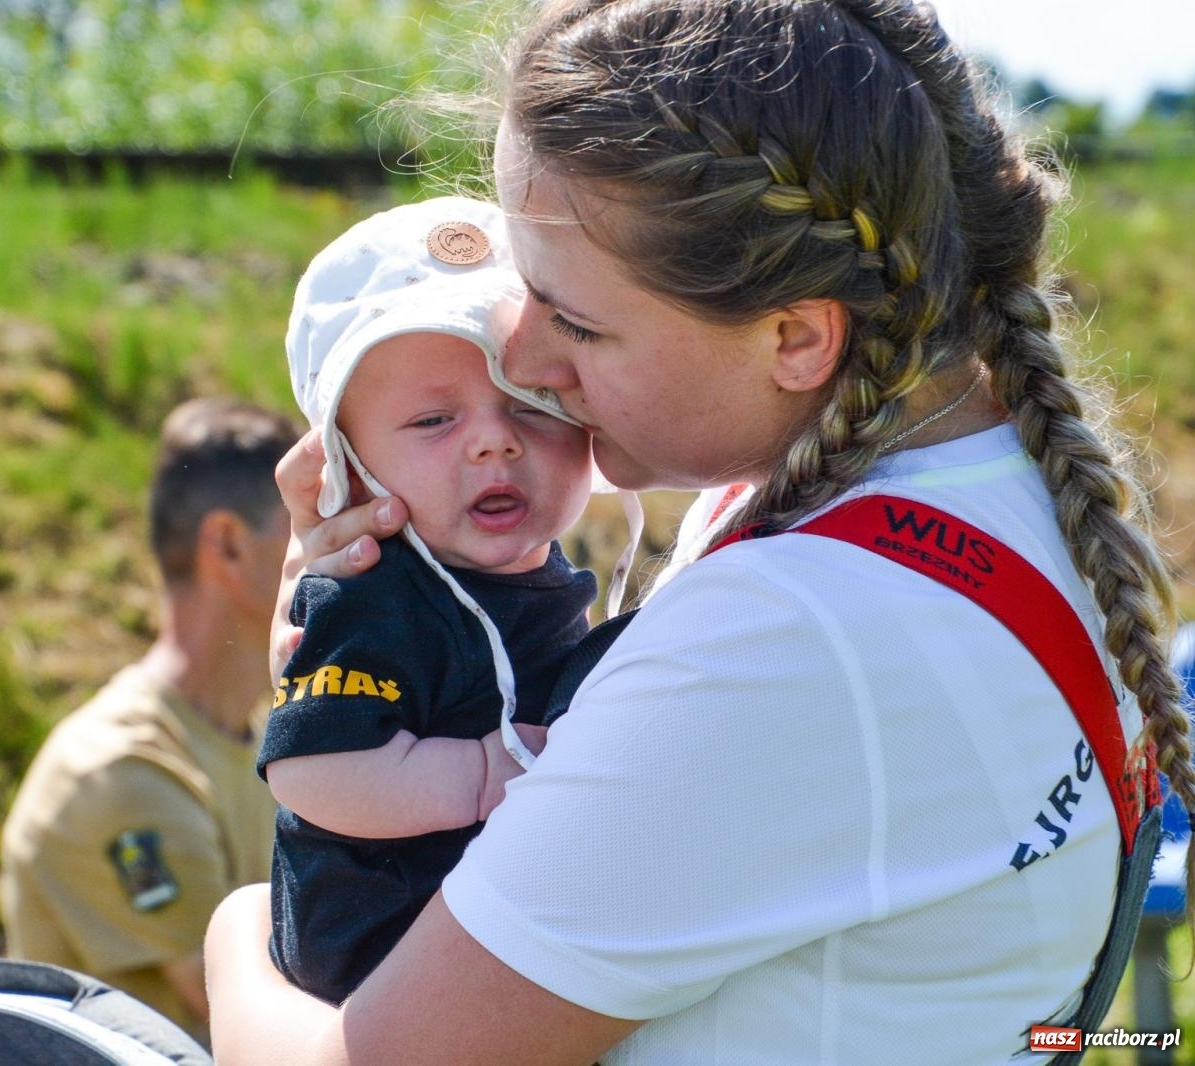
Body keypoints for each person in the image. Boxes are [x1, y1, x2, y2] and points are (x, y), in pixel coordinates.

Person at [203, 1, 1195, 1063]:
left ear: (795, 336)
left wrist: (240, 929)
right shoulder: (963, 489)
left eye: (572, 318)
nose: (520, 359)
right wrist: (368, 635)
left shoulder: (791, 633)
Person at [261, 196, 597, 1004]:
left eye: (532, 404)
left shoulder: (543, 577)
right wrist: (482, 772)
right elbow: (314, 768)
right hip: (371, 957)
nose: (493, 439)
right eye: (433, 419)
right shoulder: (374, 593)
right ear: (347, 469)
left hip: (490, 945)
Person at [0, 396, 296, 1046]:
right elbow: (257, 1017)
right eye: (309, 518)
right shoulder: (121, 771)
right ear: (229, 545)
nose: (346, 544)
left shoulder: (269, 738)